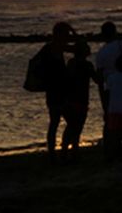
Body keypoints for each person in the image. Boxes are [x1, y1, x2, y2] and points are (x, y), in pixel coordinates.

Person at [41, 22, 77, 162]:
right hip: (58, 92)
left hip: (53, 91)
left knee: (55, 123)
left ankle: (54, 153)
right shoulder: (56, 46)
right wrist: (74, 32)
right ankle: (61, 151)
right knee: (71, 122)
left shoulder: (50, 47)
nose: (68, 37)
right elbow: (80, 48)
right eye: (66, 34)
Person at [61, 39, 101, 161]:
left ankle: (66, 151)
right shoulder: (87, 65)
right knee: (76, 127)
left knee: (71, 126)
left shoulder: (71, 63)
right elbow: (97, 80)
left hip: (68, 99)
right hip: (80, 100)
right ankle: (73, 151)